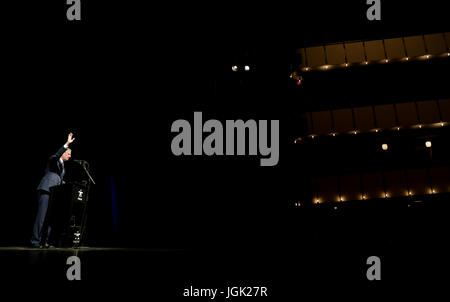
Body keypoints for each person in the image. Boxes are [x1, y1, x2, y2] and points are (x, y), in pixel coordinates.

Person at [30, 133, 75, 248]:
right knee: (42, 216)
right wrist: (67, 144)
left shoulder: (63, 168)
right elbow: (57, 154)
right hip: (46, 189)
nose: (70, 156)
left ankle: (44, 241)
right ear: (63, 153)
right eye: (68, 154)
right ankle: (35, 241)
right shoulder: (53, 160)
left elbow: (60, 180)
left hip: (55, 193)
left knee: (50, 218)